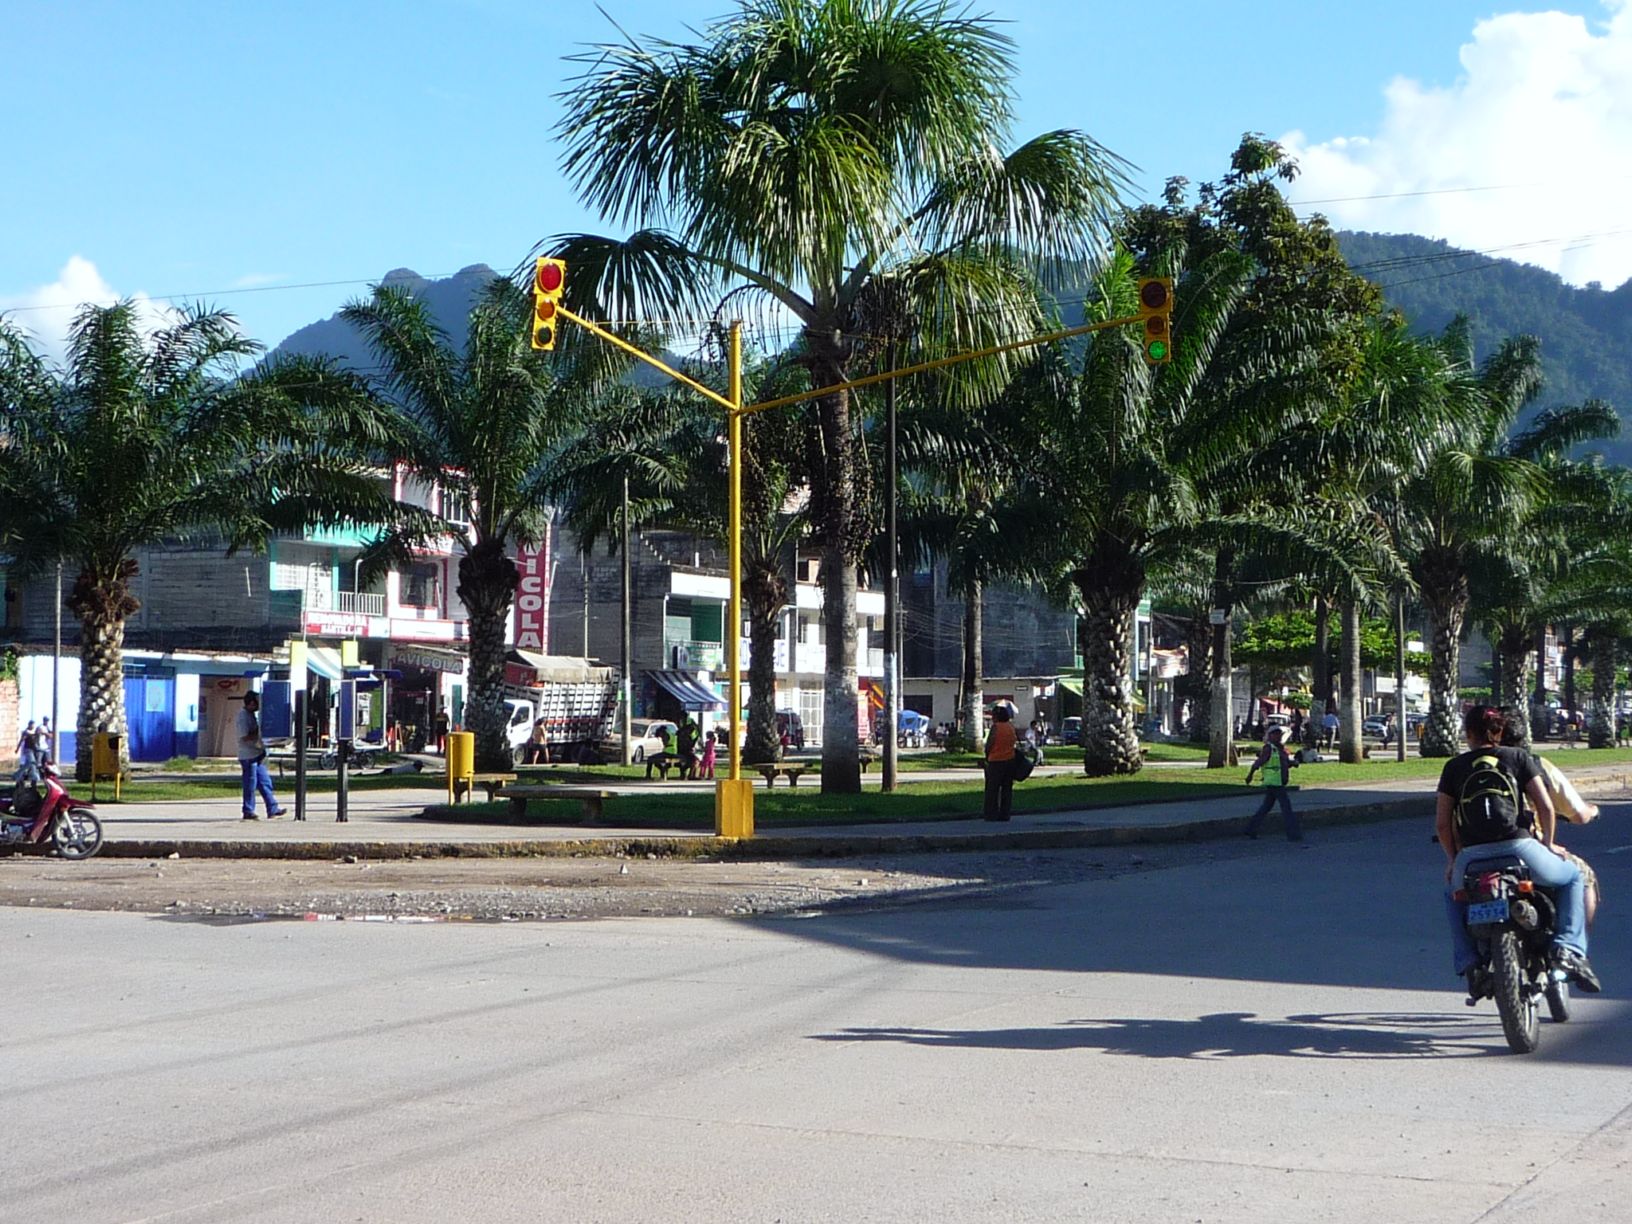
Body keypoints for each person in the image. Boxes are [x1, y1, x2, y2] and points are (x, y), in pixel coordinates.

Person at [1436, 705, 1599, 998]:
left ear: (1468, 734)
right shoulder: (1519, 757)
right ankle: (1569, 949)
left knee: (1452, 895)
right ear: (1499, 732)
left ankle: (1470, 964)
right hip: (1520, 849)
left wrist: (1453, 860)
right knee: (1573, 877)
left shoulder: (1453, 767)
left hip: (1471, 858)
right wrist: (1548, 844)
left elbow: (1443, 825)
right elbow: (1546, 808)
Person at [1243, 725, 1302, 841]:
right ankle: (1293, 834)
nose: (1278, 736)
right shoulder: (1269, 748)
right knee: (1286, 808)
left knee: (1266, 807)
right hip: (1275, 783)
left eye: (1280, 734)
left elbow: (1281, 764)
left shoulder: (1280, 749)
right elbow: (1259, 762)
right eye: (1276, 734)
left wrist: (1293, 763)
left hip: (1278, 781)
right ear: (1270, 736)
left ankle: (1250, 829)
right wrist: (1250, 775)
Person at [236, 692, 285, 820]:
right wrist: (260, 733)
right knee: (250, 784)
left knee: (265, 782)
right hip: (248, 755)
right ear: (251, 703)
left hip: (257, 754)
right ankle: (248, 810)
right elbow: (244, 736)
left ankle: (272, 808)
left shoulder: (251, 715)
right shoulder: (243, 716)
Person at [982, 705, 1018, 821]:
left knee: (992, 789)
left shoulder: (996, 727)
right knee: (1007, 789)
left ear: (996, 716)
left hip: (996, 760)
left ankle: (991, 814)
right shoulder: (1010, 727)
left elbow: (990, 743)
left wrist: (986, 755)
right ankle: (1005, 814)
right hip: (1010, 760)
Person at [14, 719, 40, 784]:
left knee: (28, 764)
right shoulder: (26, 732)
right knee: (32, 762)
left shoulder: (35, 731)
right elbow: (21, 741)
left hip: (34, 750)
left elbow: (37, 741)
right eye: (31, 724)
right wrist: (17, 749)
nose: (32, 726)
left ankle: (17, 774)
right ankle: (34, 775)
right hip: (28, 750)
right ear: (29, 725)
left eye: (33, 724)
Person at [676, 716, 700, 781]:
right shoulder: (688, 731)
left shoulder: (680, 731)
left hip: (682, 750)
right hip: (685, 751)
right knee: (696, 761)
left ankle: (688, 774)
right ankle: (691, 775)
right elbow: (693, 741)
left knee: (691, 761)